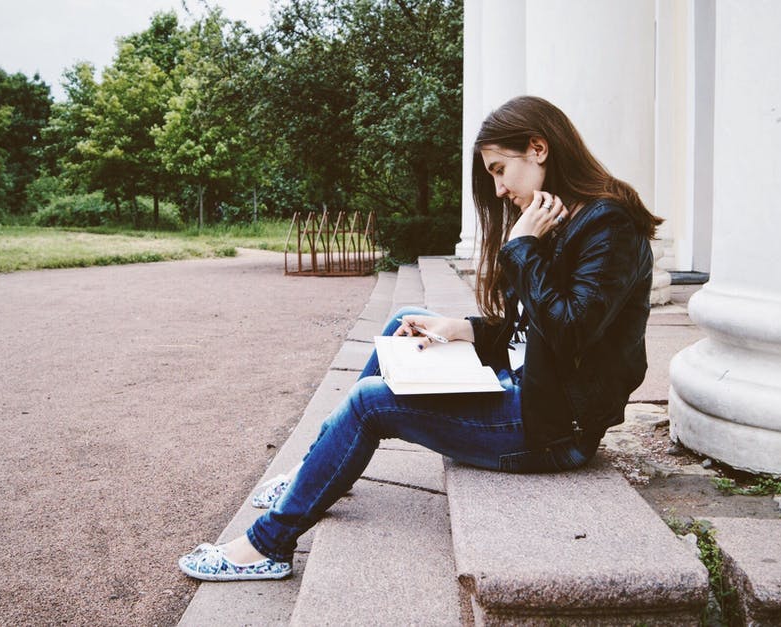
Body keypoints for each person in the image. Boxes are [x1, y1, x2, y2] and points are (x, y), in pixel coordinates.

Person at [179, 95, 661, 581]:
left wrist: (522, 246)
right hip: (530, 391)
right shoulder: (561, 217)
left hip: (553, 431)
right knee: (407, 319)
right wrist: (465, 329)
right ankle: (314, 469)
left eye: (499, 169)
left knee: (371, 403)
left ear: (538, 148)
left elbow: (569, 330)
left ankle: (267, 546)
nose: (497, 189)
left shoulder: (607, 226)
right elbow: (532, 328)